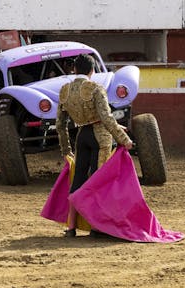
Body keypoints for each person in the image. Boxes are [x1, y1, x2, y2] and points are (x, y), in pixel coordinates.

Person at [55, 53, 134, 237]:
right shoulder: (95, 88)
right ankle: (97, 227)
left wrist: (66, 150)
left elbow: (60, 125)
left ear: (74, 69)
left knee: (78, 180)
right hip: (100, 138)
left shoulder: (65, 90)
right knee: (98, 181)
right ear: (92, 70)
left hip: (82, 137)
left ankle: (71, 227)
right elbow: (105, 118)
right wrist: (125, 140)